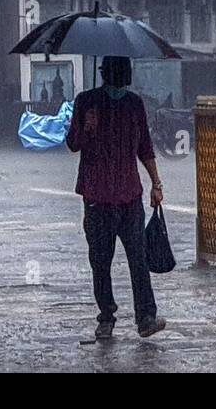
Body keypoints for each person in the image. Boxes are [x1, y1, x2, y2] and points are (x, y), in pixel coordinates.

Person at [65, 56, 166, 340]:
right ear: (107, 73)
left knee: (138, 258)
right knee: (100, 261)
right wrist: (87, 126)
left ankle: (146, 316)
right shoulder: (87, 102)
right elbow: (72, 144)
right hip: (97, 197)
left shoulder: (134, 104)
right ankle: (106, 316)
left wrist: (156, 183)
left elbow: (144, 147)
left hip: (129, 195)